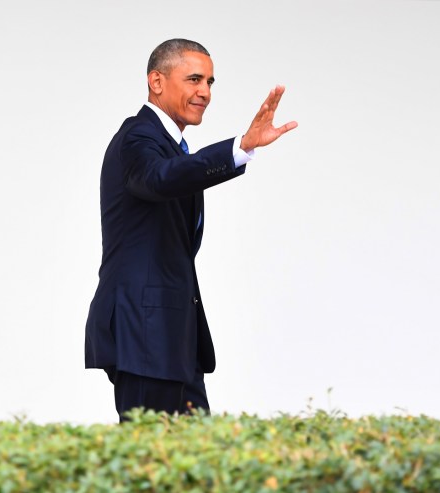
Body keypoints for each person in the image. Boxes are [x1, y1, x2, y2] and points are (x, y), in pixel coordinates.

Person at [84, 39, 297, 422]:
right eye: (195, 79)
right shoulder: (138, 136)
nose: (205, 92)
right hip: (145, 334)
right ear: (157, 81)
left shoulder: (171, 145)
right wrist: (240, 147)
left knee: (192, 465)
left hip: (169, 337)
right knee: (154, 465)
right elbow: (159, 178)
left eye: (211, 82)